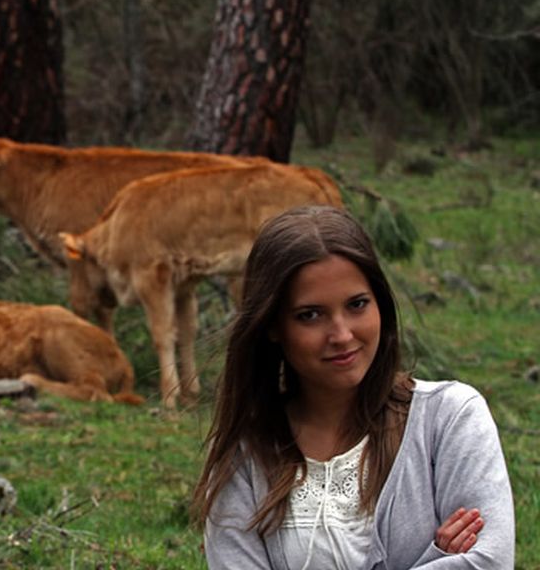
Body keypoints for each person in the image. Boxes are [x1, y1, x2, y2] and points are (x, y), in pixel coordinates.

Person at [194, 205, 515, 569]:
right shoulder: (244, 455)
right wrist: (434, 558)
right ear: (272, 326)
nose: (342, 335)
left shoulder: (450, 418)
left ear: (380, 304)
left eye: (357, 305)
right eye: (310, 315)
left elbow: (489, 561)